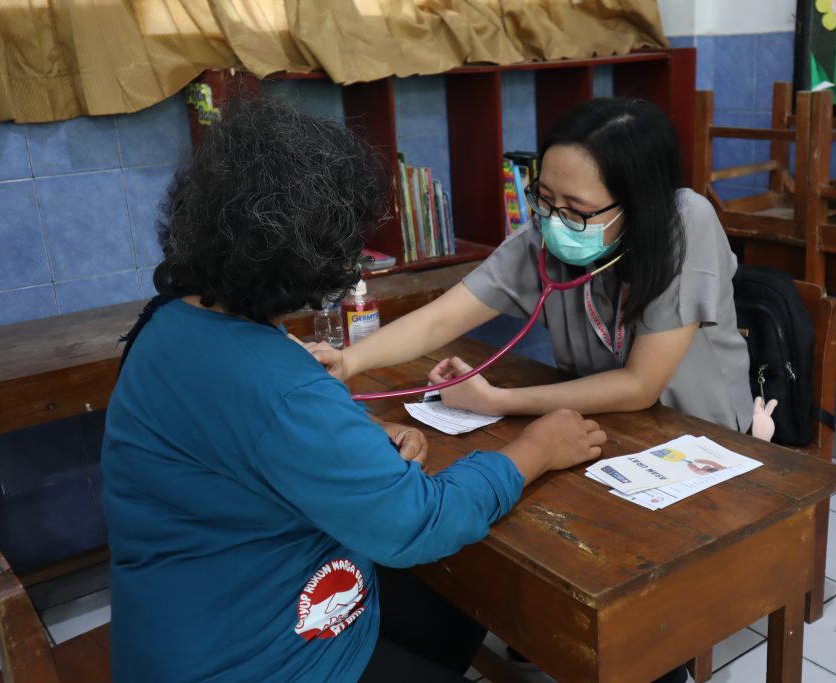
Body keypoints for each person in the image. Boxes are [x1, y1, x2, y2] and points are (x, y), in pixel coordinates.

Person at [101, 98, 606, 683]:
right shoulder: (277, 384)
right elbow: (418, 522)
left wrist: (357, 433)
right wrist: (535, 450)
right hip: (259, 659)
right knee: (450, 555)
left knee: (460, 593)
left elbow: (245, 435)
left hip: (189, 622)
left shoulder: (169, 320)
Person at [311, 96, 753, 434]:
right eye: (544, 197)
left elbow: (640, 386)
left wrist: (495, 400)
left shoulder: (686, 225)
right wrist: (348, 362)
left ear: (638, 205)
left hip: (701, 438)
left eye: (576, 208)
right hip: (607, 429)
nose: (553, 220)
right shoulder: (542, 238)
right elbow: (441, 319)